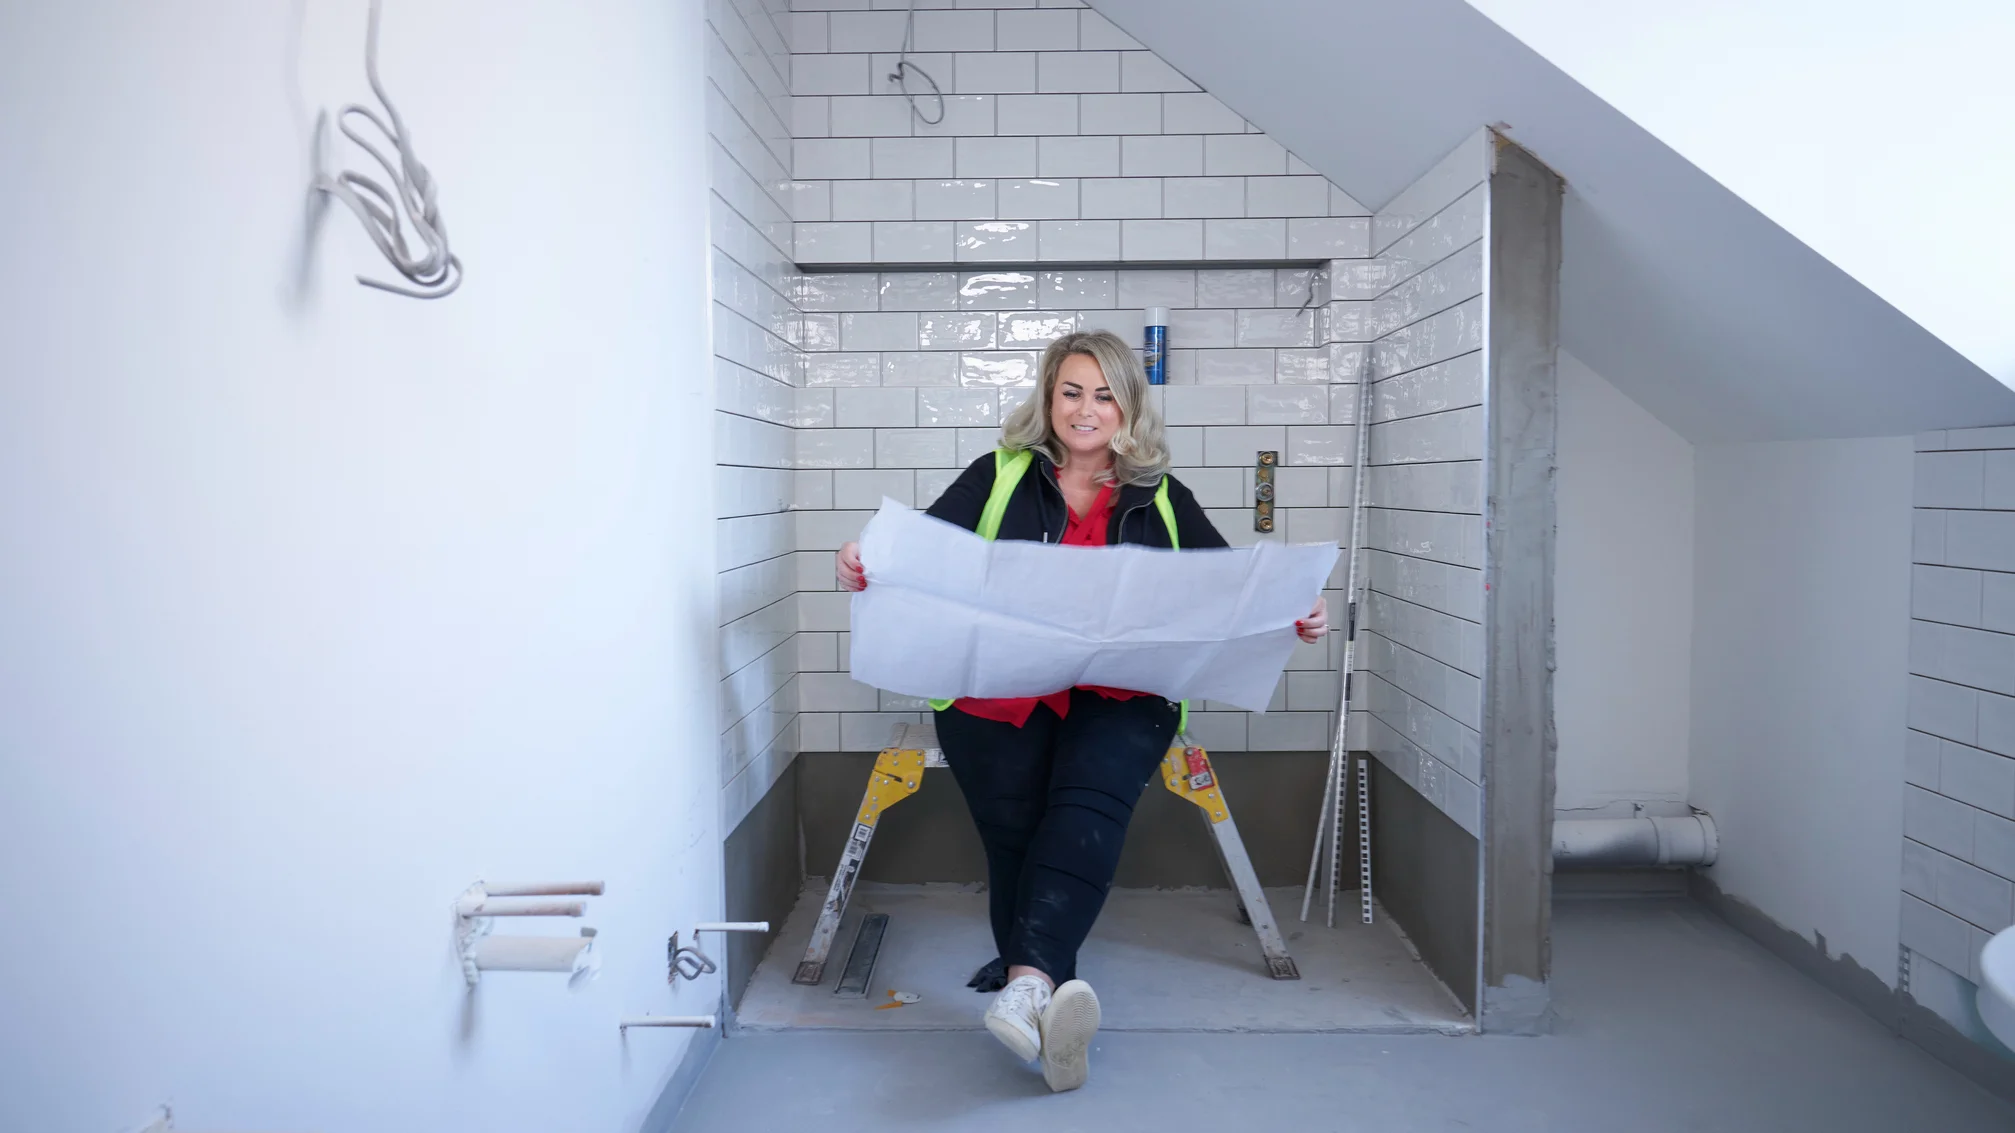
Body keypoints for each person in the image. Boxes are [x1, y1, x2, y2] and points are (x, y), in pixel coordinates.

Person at [835, 330, 1328, 1093]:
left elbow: (1229, 588)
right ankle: (1048, 1003)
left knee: (1086, 804)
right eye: (1070, 391)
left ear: (1128, 405)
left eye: (1104, 394)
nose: (1085, 409)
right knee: (1014, 835)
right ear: (1048, 397)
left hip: (1123, 692)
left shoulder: (1161, 495)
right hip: (998, 686)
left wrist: (1294, 612)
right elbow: (922, 552)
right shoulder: (998, 474)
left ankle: (1027, 984)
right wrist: (862, 559)